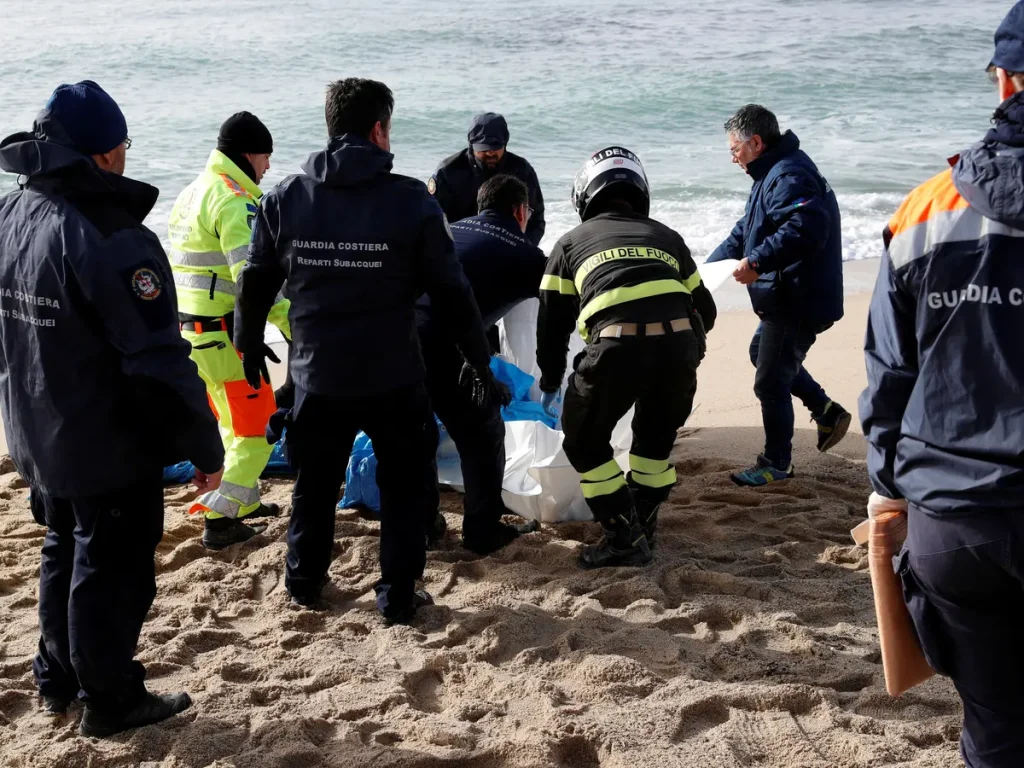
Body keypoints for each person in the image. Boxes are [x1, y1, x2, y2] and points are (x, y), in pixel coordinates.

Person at [0, 81, 224, 736]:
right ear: (104, 156)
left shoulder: (13, 215)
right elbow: (158, 359)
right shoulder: (112, 237)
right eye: (124, 146)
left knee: (62, 547)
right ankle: (109, 697)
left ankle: (56, 680)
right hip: (103, 438)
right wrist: (205, 447)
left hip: (36, 428)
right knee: (113, 569)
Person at [234, 78, 498, 624]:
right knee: (403, 486)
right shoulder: (409, 202)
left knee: (315, 482)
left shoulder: (284, 197)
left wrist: (245, 340)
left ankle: (304, 581)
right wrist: (478, 357)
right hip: (392, 376)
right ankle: (398, 595)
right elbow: (453, 293)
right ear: (379, 129)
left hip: (316, 376)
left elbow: (256, 278)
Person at [860, 4, 1024, 763]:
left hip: (955, 523)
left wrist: (893, 484)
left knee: (994, 727)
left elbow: (889, 379)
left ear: (1003, 79)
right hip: (961, 512)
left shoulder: (927, 209)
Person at [536, 147, 716, 568]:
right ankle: (643, 521)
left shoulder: (568, 244)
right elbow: (705, 312)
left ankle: (623, 535)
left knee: (584, 440)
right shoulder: (667, 236)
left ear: (585, 196)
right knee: (654, 442)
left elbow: (551, 326)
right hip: (679, 349)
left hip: (616, 347)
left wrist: (549, 381)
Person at [706, 105, 850, 486]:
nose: (733, 158)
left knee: (770, 381)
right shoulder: (772, 171)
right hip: (790, 296)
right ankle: (825, 410)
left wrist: (758, 261)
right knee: (764, 358)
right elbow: (747, 229)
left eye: (735, 150)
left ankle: (777, 463)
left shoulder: (789, 173)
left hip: (797, 299)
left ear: (755, 142)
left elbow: (806, 226)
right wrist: (704, 269)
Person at [168, 112, 289, 549]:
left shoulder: (191, 192)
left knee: (230, 423)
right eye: (266, 157)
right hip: (224, 335)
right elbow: (253, 281)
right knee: (256, 426)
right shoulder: (235, 201)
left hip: (191, 332)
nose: (268, 167)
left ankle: (246, 502)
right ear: (247, 154)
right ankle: (220, 520)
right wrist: (294, 323)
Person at [418, 174, 546, 554]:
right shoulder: (527, 256)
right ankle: (482, 531)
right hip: (445, 346)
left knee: (416, 436)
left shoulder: (448, 229)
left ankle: (426, 526)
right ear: (521, 212)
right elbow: (563, 304)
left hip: (391, 340)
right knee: (482, 432)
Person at [428, 112, 546, 246]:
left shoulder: (522, 170)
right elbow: (432, 221)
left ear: (505, 142)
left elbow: (536, 220)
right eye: (483, 149)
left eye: (495, 147)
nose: (490, 153)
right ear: (471, 145)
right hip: (459, 248)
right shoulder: (448, 172)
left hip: (510, 248)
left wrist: (523, 250)